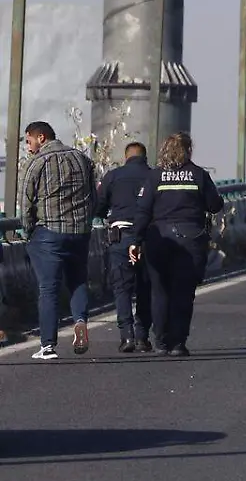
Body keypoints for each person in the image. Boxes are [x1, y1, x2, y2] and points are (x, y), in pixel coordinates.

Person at [129, 133, 224, 356]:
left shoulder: (155, 177)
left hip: (158, 239)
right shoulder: (199, 175)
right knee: (183, 292)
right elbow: (214, 204)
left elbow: (143, 211)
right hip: (190, 240)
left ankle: (161, 341)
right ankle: (178, 343)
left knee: (159, 291)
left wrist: (135, 241)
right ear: (188, 150)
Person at [20, 121, 97, 360]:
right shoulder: (82, 158)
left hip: (48, 234)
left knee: (49, 288)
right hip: (80, 232)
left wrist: (28, 231)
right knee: (78, 280)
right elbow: (93, 196)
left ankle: (48, 346)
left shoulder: (37, 163)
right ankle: (81, 321)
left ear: (41, 137)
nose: (28, 147)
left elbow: (25, 203)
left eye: (28, 141)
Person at [94, 141, 154, 352]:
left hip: (120, 238)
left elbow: (98, 206)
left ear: (126, 157)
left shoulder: (113, 176)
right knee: (147, 288)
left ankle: (126, 336)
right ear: (145, 158)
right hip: (148, 239)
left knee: (122, 289)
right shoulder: (154, 176)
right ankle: (142, 336)